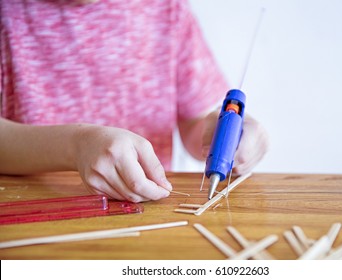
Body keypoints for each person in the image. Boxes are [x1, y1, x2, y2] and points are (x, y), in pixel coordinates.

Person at [0, 0, 268, 202]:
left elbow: (195, 124)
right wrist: (75, 146)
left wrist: (223, 136)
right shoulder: (8, 15)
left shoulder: (166, 10)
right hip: (32, 212)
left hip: (147, 215)